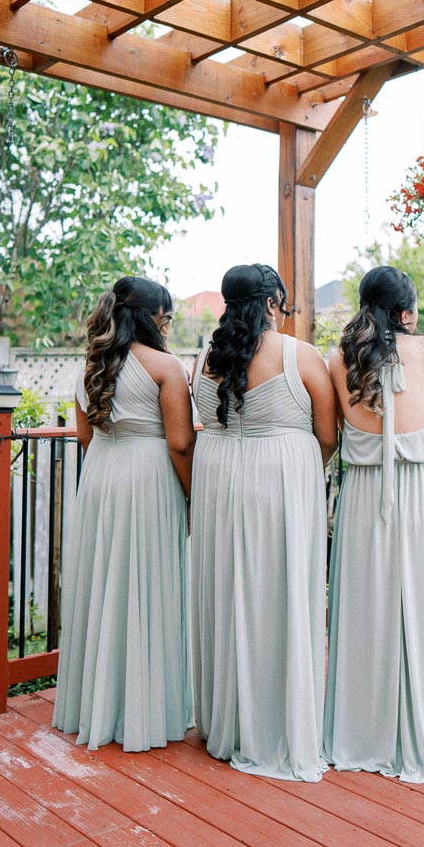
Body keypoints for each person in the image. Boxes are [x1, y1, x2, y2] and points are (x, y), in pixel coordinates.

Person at [191, 264, 337, 780]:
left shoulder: (203, 360)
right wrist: (294, 470)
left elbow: (203, 424)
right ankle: (275, 720)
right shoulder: (300, 354)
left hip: (219, 483)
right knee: (281, 596)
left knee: (228, 595)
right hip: (280, 482)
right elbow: (327, 433)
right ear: (274, 301)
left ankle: (228, 719)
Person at [325, 266, 424, 782]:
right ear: (407, 312)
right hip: (423, 488)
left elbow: (334, 427)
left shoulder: (337, 358)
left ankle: (363, 729)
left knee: (367, 606)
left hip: (366, 495)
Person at [53, 277, 194, 752]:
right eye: (167, 317)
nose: (169, 327)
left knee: (103, 585)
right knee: (148, 584)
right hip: (147, 479)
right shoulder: (166, 367)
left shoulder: (88, 367)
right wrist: (193, 496)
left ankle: (98, 703)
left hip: (101, 476)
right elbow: (179, 442)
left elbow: (85, 437)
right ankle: (145, 706)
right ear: (152, 318)